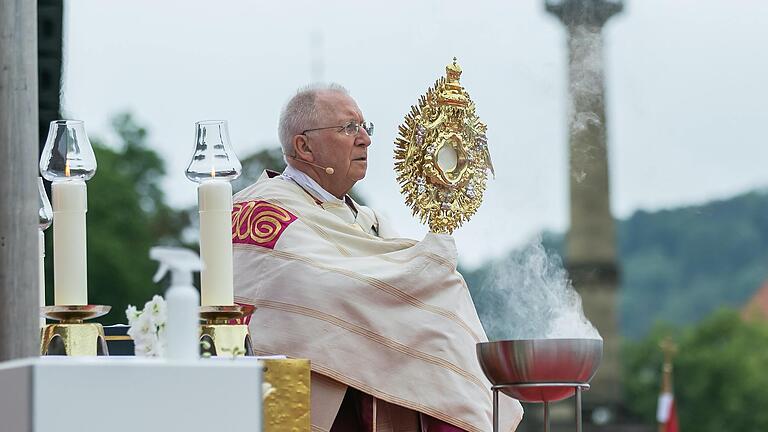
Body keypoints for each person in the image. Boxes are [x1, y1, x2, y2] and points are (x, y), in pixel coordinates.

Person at [232, 84, 522, 432]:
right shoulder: (261, 210)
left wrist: (426, 273)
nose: (365, 140)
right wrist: (421, 274)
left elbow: (389, 291)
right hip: (300, 399)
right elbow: (316, 288)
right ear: (303, 146)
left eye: (365, 128)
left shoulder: (369, 221)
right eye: (348, 128)